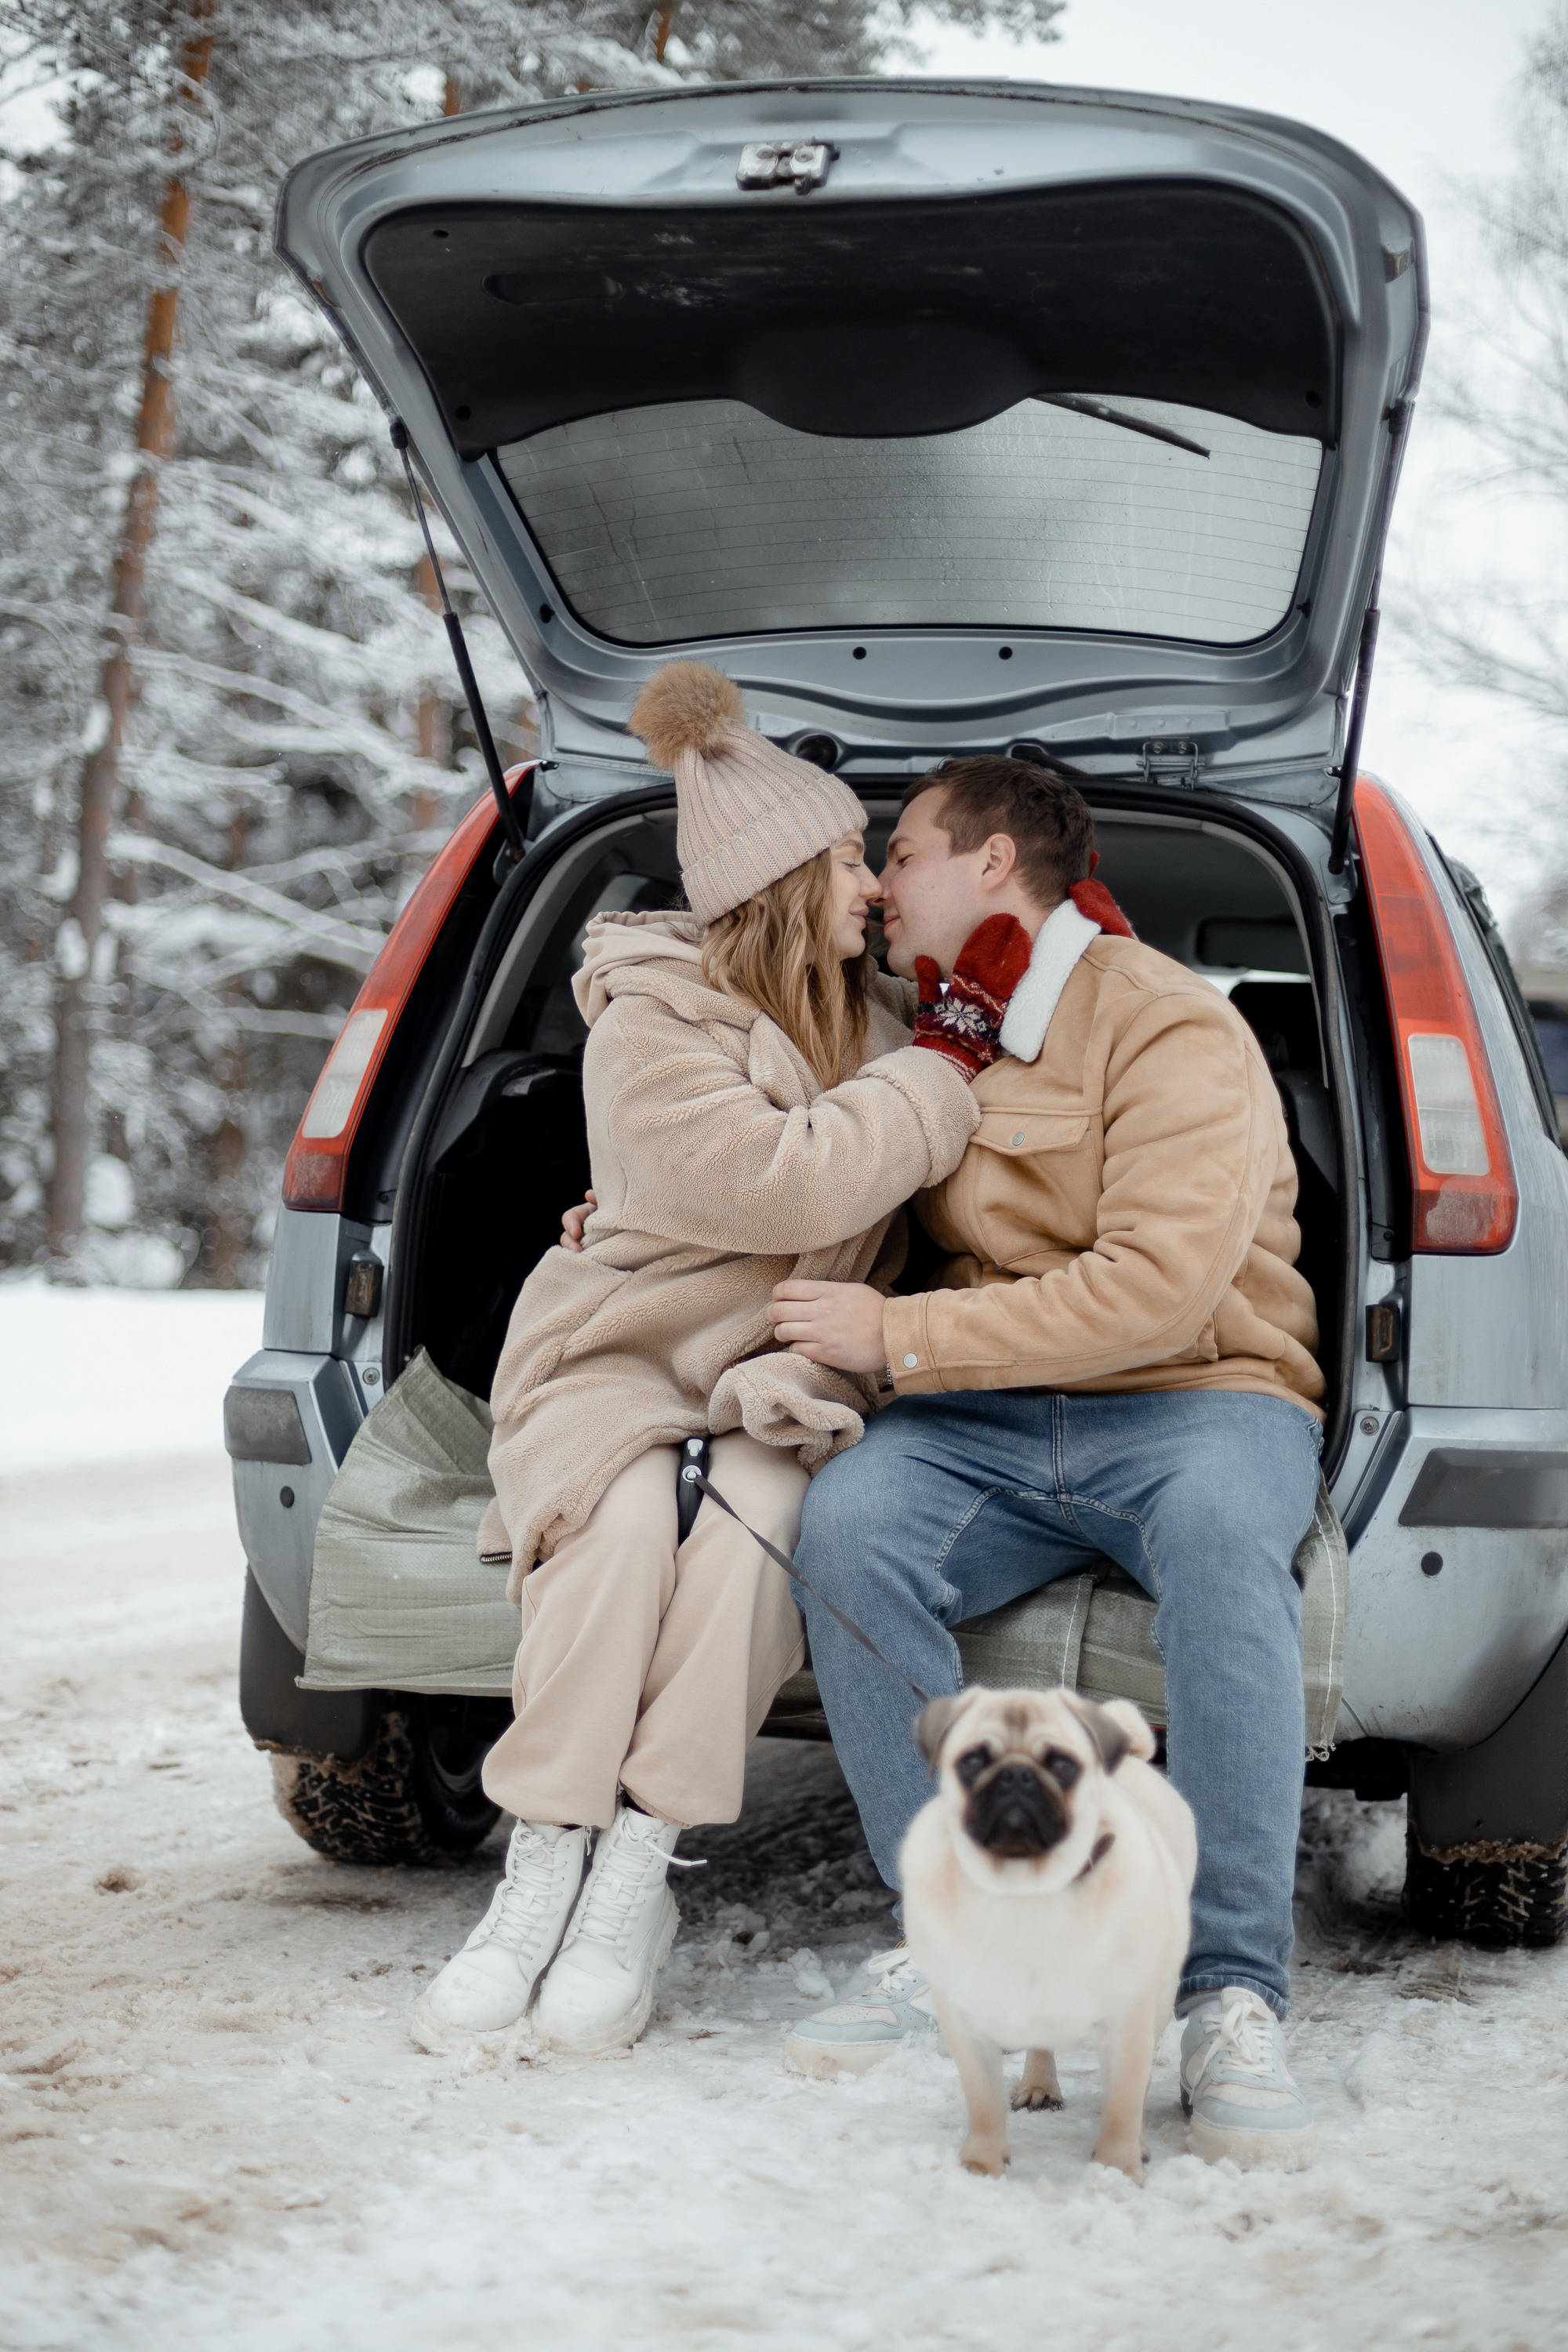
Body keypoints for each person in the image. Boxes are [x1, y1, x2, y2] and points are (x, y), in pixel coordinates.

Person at [412, 662, 1006, 2058]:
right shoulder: (649, 1018)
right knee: (617, 1532)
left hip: (781, 1372)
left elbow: (891, 1212)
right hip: (619, 1352)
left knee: (755, 1532)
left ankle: (638, 1874)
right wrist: (939, 1077)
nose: (872, 883)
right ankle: (541, 1865)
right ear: (788, 877)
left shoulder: (868, 1022)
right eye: (851, 857)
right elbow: (789, 1188)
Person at [764, 757, 1328, 2171]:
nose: (879, 884)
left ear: (997, 864)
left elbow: (1155, 1293)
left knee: (1218, 1545)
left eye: (901, 854)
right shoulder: (929, 1027)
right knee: (847, 1528)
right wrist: (624, 1220)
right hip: (989, 1414)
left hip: (1199, 1392)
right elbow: (774, 1159)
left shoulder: (1169, 1026)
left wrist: (899, 1336)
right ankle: (947, 1936)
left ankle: (1228, 1989)